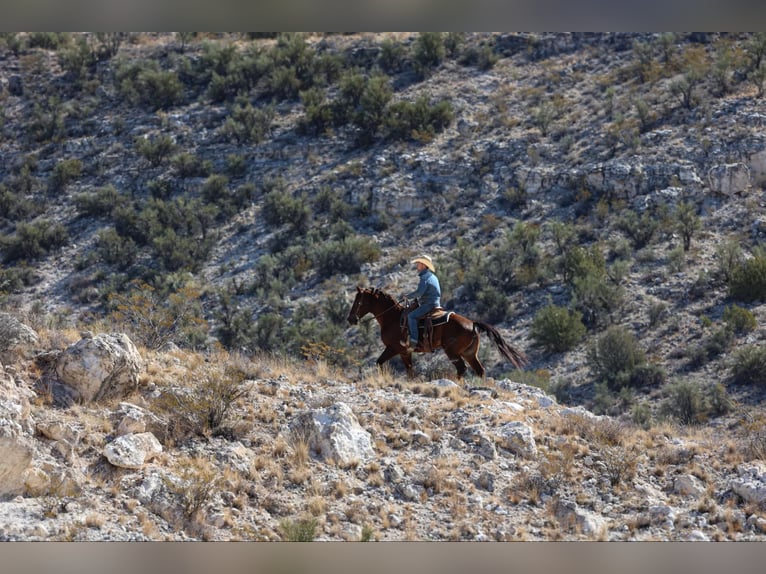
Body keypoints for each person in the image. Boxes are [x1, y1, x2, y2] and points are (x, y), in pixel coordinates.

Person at [402, 254, 441, 349]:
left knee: (411, 316)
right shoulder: (432, 276)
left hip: (428, 304)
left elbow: (420, 292)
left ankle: (414, 341)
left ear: (423, 265)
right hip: (435, 303)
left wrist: (408, 296)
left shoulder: (424, 278)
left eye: (418, 263)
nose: (417, 265)